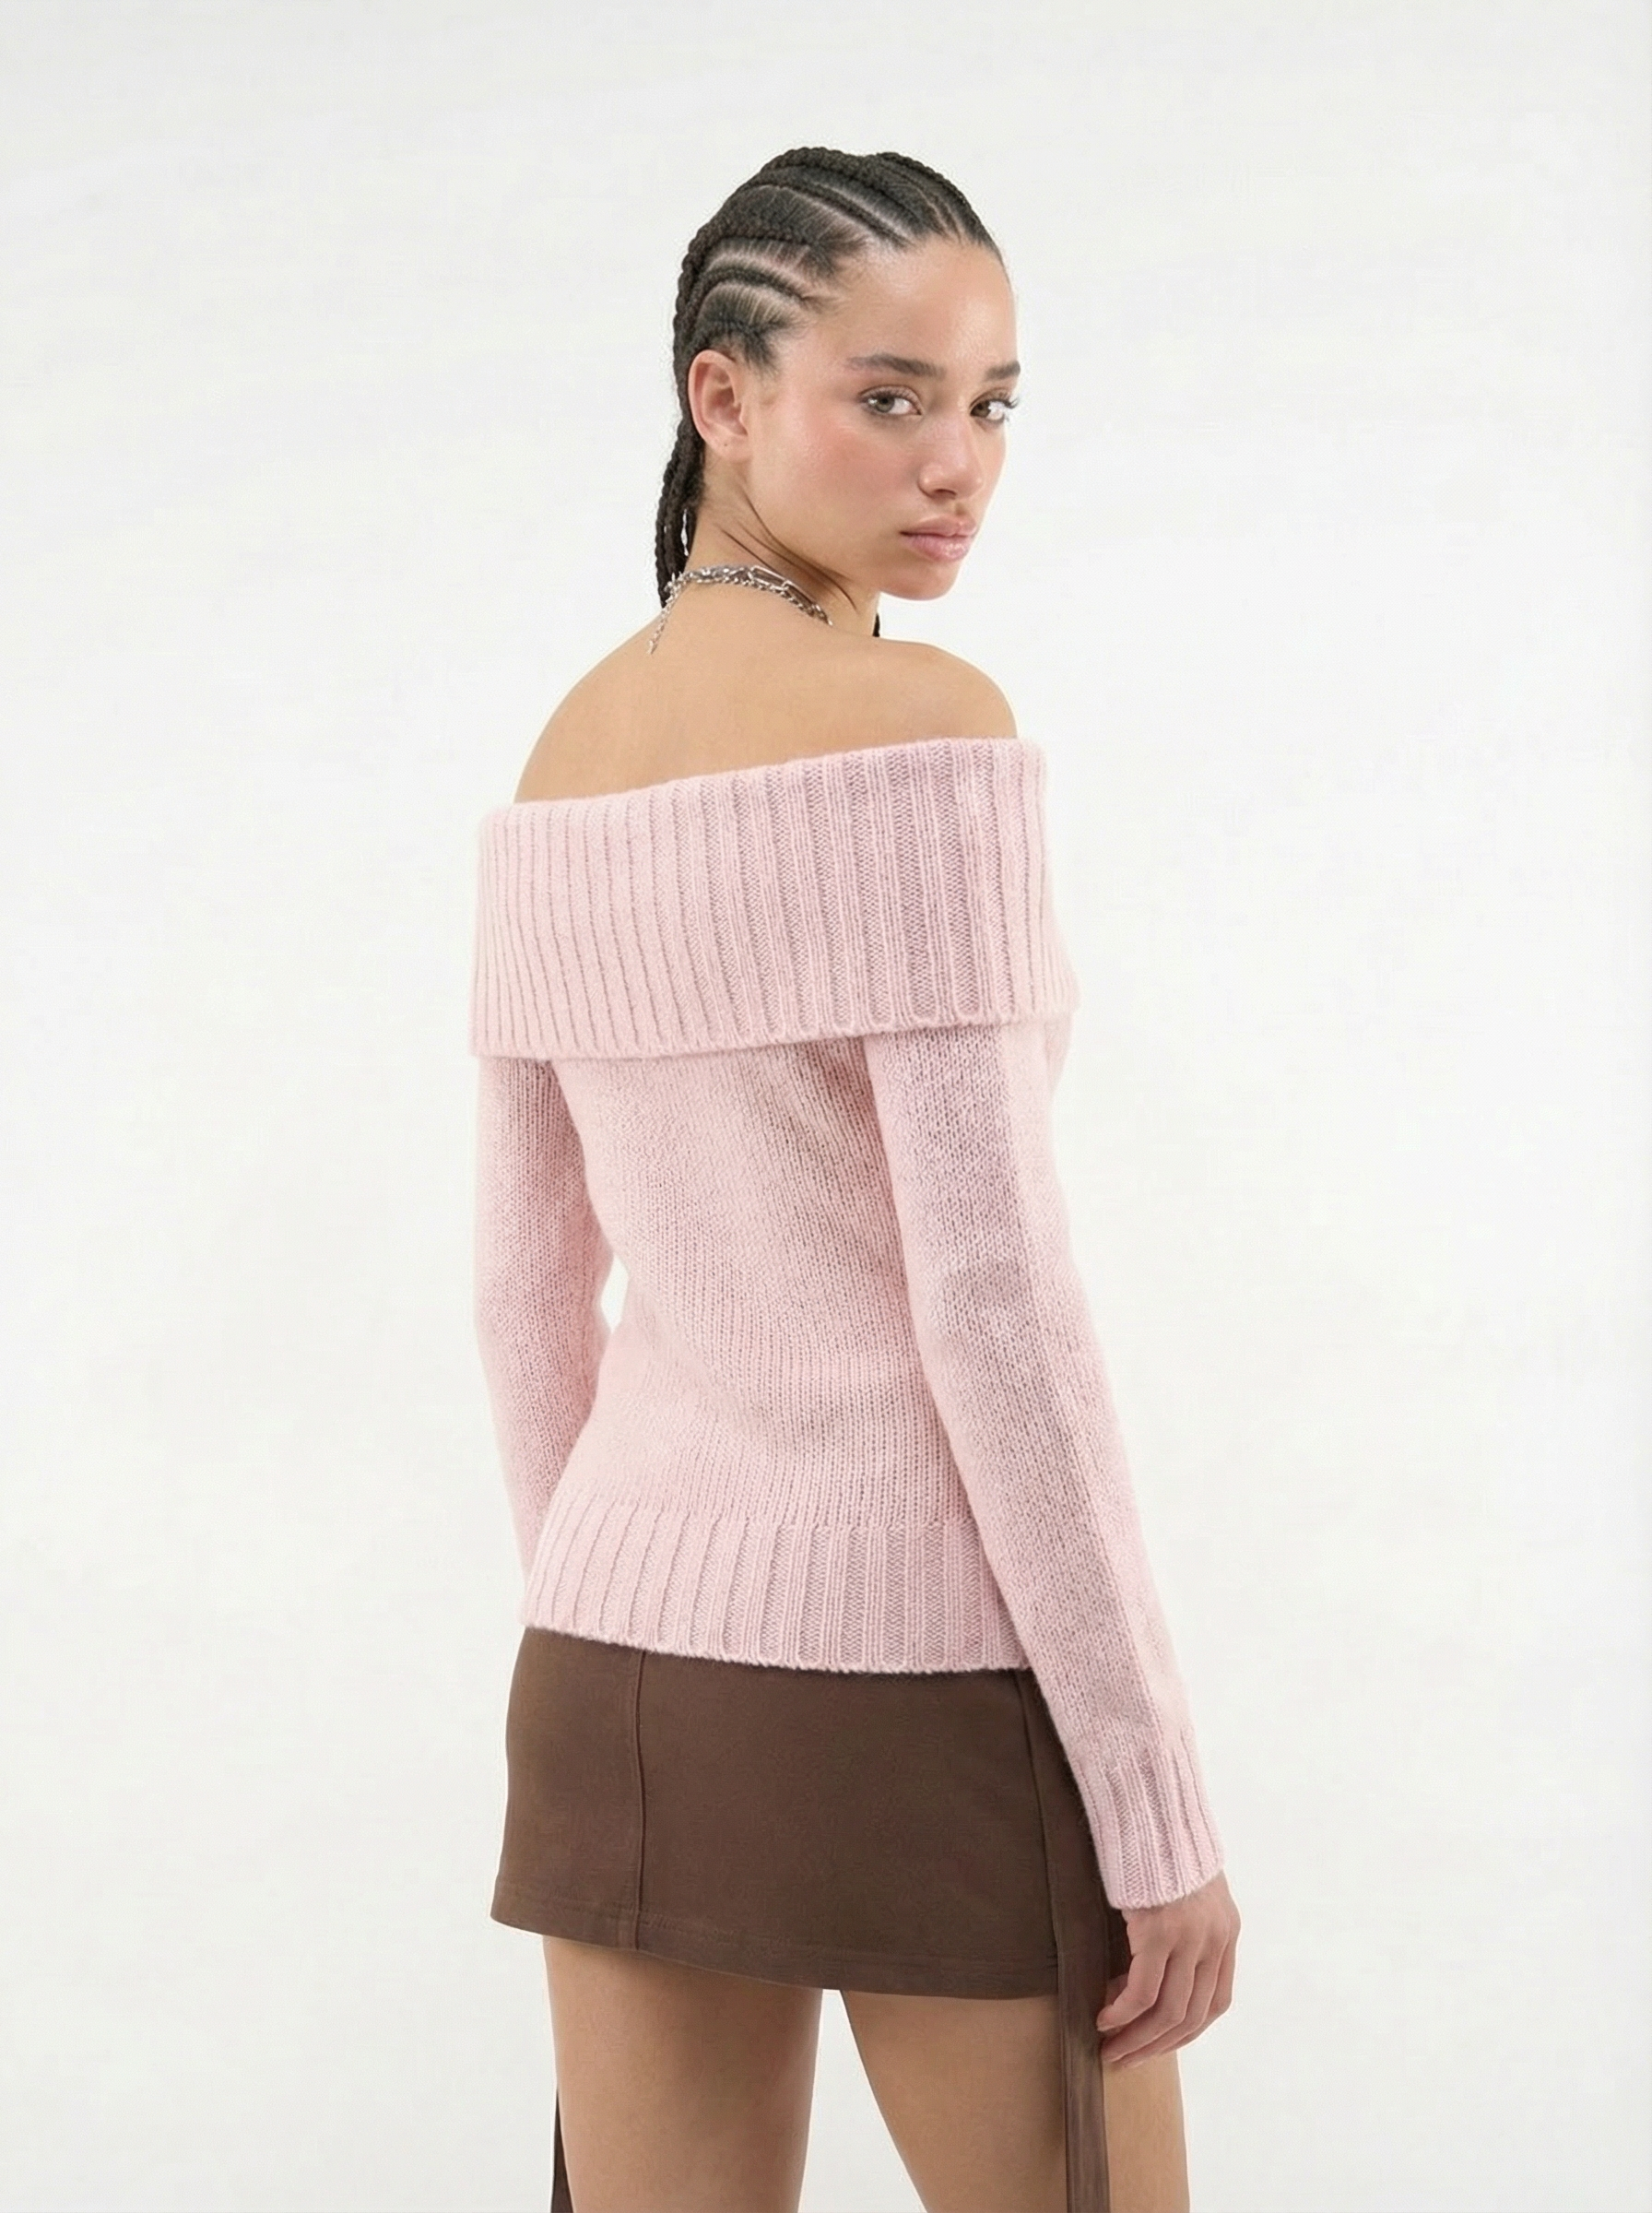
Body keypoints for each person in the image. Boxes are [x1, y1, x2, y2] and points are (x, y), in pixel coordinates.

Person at [467, 145, 1240, 2213]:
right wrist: (1150, 1808)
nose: (953, 463)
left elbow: (520, 1293)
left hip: (607, 1670)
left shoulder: (561, 757)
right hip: (916, 1679)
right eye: (886, 398)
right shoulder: (921, 726)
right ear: (719, 398)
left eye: (989, 404)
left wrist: (614, 1608)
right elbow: (994, 1308)